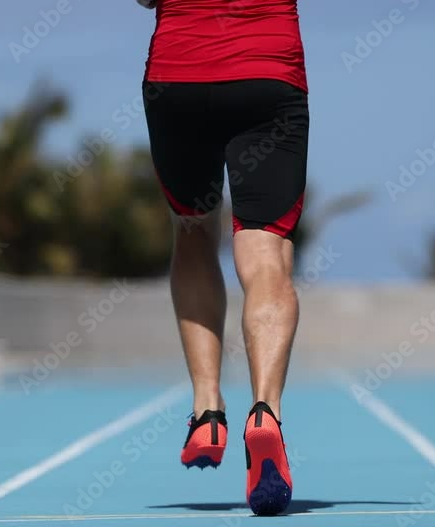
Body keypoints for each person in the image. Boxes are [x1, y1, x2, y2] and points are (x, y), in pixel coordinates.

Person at [138, 0, 309, 516]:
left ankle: (207, 409)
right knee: (265, 250)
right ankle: (266, 412)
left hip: (178, 73)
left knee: (192, 233)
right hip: (267, 71)